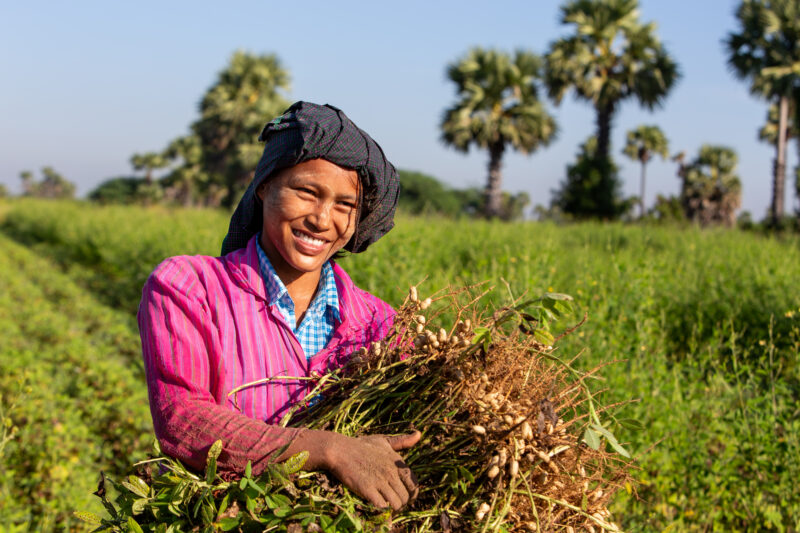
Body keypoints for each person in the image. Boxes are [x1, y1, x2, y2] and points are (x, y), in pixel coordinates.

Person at [138, 101, 420, 511]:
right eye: (307, 192)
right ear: (265, 186)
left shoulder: (380, 323)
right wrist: (327, 449)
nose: (323, 219)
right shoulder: (188, 286)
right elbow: (182, 419)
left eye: (346, 205)